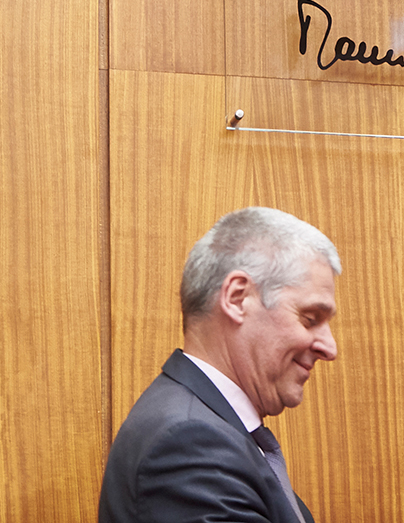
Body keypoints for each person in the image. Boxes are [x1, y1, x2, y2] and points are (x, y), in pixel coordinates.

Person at [99, 207, 342, 523]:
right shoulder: (190, 444)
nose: (330, 348)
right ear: (238, 298)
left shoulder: (209, 428)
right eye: (310, 319)